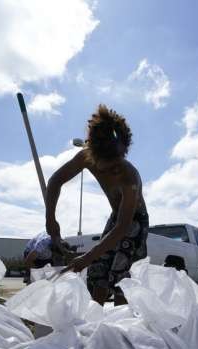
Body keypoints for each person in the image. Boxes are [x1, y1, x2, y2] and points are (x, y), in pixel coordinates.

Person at [45, 104, 149, 305]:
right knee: (98, 273)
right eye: (108, 166)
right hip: (116, 217)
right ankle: (94, 317)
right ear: (93, 154)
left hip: (132, 222)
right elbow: (55, 181)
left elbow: (122, 227)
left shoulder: (129, 178)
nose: (114, 170)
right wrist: (51, 219)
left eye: (117, 163)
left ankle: (122, 320)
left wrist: (87, 257)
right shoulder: (85, 157)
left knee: (122, 277)